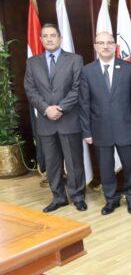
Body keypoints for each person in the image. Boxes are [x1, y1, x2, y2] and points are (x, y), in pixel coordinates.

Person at [79, 32, 131, 215]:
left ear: (115, 46)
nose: (106, 46)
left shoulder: (128, 68)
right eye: (101, 43)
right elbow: (84, 104)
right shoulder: (87, 71)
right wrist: (86, 131)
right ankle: (111, 200)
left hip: (126, 127)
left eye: (109, 42)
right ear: (95, 46)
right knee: (105, 168)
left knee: (130, 167)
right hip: (99, 129)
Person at [24, 23, 86, 213]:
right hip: (46, 122)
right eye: (45, 36)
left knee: (74, 162)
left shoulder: (75, 59)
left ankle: (78, 197)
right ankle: (58, 198)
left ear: (60, 38)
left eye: (53, 35)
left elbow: (78, 88)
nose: (49, 39)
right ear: (41, 39)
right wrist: (46, 109)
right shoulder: (32, 62)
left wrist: (60, 108)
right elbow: (30, 90)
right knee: (52, 163)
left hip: (68, 119)